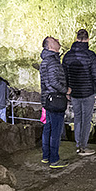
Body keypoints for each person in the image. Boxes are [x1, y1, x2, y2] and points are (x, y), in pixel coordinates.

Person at [61, 28, 96, 156]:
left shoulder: (67, 55)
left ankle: (78, 144)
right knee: (86, 118)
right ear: (88, 39)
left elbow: (64, 75)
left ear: (76, 38)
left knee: (77, 118)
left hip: (74, 92)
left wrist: (67, 90)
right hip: (88, 92)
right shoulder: (90, 55)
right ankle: (83, 146)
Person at [39, 36, 68, 169]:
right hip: (55, 99)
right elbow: (53, 82)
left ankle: (46, 156)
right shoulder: (52, 62)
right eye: (55, 40)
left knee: (48, 128)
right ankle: (54, 159)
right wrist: (66, 90)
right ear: (50, 46)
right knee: (55, 130)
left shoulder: (46, 61)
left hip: (48, 99)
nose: (58, 41)